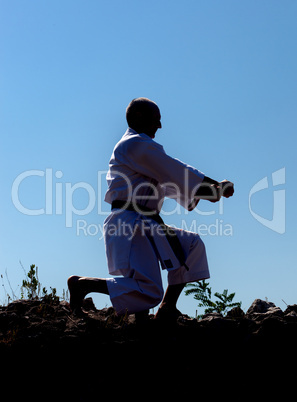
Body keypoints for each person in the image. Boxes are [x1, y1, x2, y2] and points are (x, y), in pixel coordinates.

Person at [68, 97, 234, 321]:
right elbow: (176, 170)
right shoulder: (134, 145)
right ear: (138, 117)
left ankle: (167, 307)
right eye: (156, 119)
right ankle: (83, 284)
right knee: (148, 290)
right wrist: (214, 190)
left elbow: (174, 175)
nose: (160, 125)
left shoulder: (144, 152)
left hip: (146, 224)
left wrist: (214, 189)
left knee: (191, 245)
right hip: (129, 225)